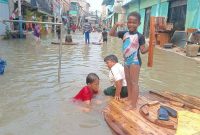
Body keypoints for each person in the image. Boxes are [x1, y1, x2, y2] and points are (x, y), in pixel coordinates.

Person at [109, 12, 148, 110]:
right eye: (129, 22)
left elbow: (143, 51)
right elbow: (111, 33)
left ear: (139, 23)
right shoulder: (124, 34)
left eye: (134, 22)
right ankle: (130, 98)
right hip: (126, 61)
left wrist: (151, 46)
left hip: (135, 62)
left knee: (134, 83)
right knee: (129, 81)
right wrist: (116, 25)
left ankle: (133, 105)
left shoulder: (140, 36)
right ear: (127, 23)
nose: (131, 24)